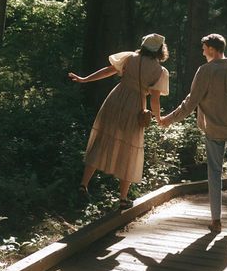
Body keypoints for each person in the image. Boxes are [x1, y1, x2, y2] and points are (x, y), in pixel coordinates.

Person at [160, 34, 227, 233]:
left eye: (204, 48)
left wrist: (169, 119)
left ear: (211, 48)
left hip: (214, 130)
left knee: (215, 173)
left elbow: (191, 102)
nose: (202, 52)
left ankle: (216, 220)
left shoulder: (205, 70)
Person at [68, 33, 169, 209]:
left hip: (115, 99)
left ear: (144, 45)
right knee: (130, 148)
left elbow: (108, 70)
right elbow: (155, 99)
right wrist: (159, 118)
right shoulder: (159, 71)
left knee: (102, 139)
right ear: (161, 50)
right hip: (136, 105)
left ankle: (83, 184)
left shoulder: (130, 57)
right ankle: (122, 198)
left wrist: (85, 79)